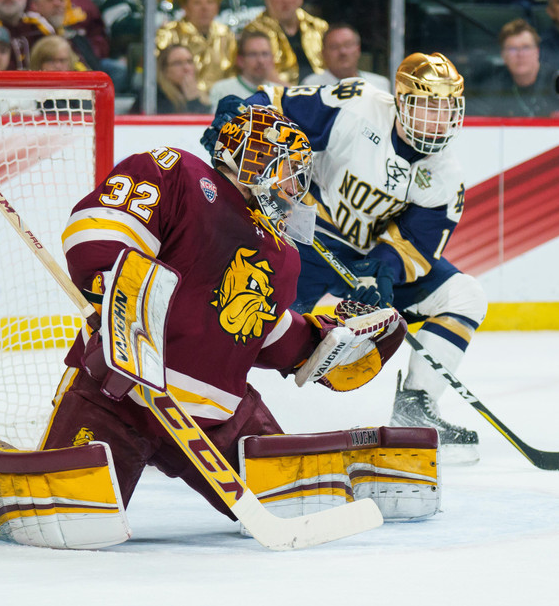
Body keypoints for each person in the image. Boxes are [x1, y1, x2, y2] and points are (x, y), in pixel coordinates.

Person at [38, 105, 408, 538]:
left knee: (297, 501)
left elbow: (259, 335)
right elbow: (98, 235)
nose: (294, 187)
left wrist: (325, 341)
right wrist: (113, 286)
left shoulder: (281, 252)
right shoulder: (178, 173)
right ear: (253, 157)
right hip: (117, 398)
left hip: (216, 420)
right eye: (288, 171)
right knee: (63, 521)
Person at [203, 53, 489, 464]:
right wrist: (241, 119)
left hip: (368, 265)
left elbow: (416, 243)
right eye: (426, 108)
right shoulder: (356, 105)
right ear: (402, 102)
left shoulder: (446, 176)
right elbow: (278, 104)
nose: (436, 122)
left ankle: (415, 405)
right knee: (242, 314)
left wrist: (384, 271)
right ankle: (198, 402)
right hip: (303, 240)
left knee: (464, 295)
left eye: (445, 111)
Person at [468, 18, 559, 117]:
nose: (520, 55)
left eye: (526, 47)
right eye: (512, 49)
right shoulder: (493, 88)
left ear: (537, 52)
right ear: (503, 55)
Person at [245, 0, 328, 85]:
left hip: (323, 93)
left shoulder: (319, 27)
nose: (285, 0)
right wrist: (295, 95)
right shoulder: (254, 31)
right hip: (279, 97)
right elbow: (261, 72)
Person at [154, 0, 236, 97]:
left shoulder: (226, 34)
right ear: (185, 7)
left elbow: (234, 74)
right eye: (197, 3)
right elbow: (160, 75)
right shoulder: (168, 33)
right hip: (179, 101)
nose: (205, 8)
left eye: (210, 2)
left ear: (217, 7)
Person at [208, 29, 285, 109]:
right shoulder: (222, 90)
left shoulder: (280, 93)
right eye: (253, 54)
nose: (260, 61)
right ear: (240, 60)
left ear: (272, 59)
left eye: (265, 54)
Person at [300, 23, 391, 91]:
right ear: (323, 53)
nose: (343, 52)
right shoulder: (310, 86)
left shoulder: (380, 84)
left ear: (358, 50)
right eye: (334, 47)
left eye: (348, 45)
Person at [130, 43, 209, 114]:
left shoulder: (203, 95)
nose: (187, 68)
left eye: (189, 61)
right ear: (164, 70)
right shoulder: (154, 97)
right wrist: (193, 102)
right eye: (178, 63)